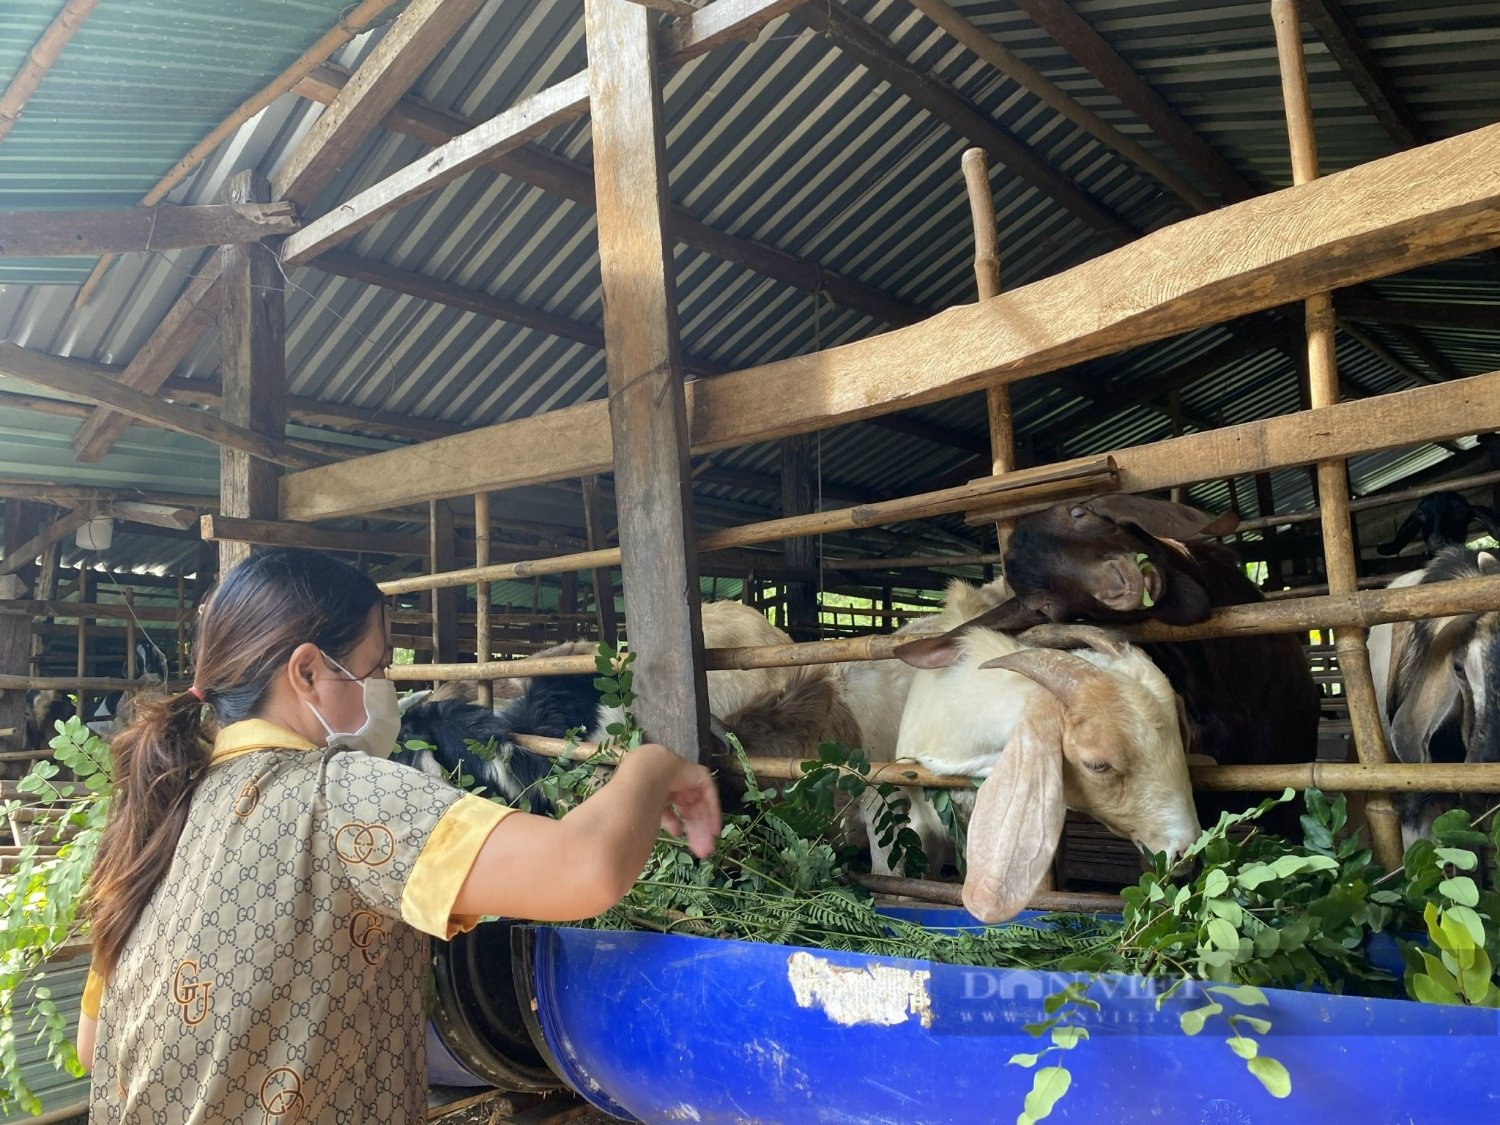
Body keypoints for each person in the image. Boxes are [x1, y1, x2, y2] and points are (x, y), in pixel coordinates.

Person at [77, 548, 720, 1122]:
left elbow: (92, 1044)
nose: (386, 688)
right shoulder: (340, 794)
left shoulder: (159, 813)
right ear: (306, 673)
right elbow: (586, 868)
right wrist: (652, 765)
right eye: (375, 667)